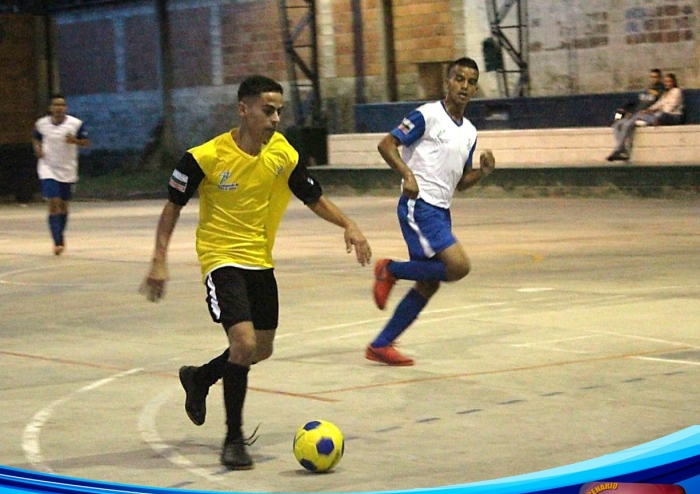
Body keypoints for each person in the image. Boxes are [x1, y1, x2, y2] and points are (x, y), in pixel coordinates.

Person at [140, 75, 372, 470]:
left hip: (260, 261)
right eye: (268, 110)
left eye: (280, 111)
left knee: (260, 350)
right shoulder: (205, 157)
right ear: (243, 109)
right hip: (221, 259)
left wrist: (348, 224)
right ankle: (233, 439)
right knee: (244, 343)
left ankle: (199, 378)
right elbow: (172, 206)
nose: (276, 118)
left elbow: (311, 195)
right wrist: (159, 259)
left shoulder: (281, 152)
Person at [366, 57, 495, 367]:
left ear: (475, 88)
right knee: (459, 267)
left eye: (471, 81)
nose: (465, 85)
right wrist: (407, 175)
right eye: (459, 79)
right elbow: (386, 145)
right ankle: (391, 269)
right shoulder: (428, 115)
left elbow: (461, 182)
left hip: (441, 210)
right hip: (418, 206)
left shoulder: (470, 133)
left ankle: (380, 345)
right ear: (447, 83)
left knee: (429, 281)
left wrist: (483, 173)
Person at [32, 93, 90, 255]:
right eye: (56, 105)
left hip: (67, 169)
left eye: (62, 105)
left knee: (64, 205)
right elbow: (36, 138)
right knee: (54, 202)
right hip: (47, 167)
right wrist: (38, 148)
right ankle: (57, 241)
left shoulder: (75, 124)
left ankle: (60, 234)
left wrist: (75, 141)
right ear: (51, 108)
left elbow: (86, 142)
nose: (59, 108)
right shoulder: (42, 124)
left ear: (66, 108)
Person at [607, 72, 684, 162]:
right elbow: (658, 104)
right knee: (618, 124)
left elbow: (670, 108)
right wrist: (648, 110)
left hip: (671, 116)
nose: (667, 83)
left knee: (634, 120)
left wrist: (654, 114)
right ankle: (622, 149)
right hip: (654, 115)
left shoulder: (675, 91)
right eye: (666, 82)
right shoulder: (662, 93)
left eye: (669, 81)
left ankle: (620, 149)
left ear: (674, 82)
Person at [608, 68, 664, 160]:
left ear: (660, 77)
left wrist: (649, 111)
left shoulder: (662, 90)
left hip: (647, 115)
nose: (654, 79)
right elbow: (638, 103)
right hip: (636, 113)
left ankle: (618, 150)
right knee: (616, 124)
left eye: (656, 77)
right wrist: (629, 111)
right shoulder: (646, 90)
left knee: (626, 125)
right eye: (652, 77)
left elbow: (661, 104)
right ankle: (623, 149)